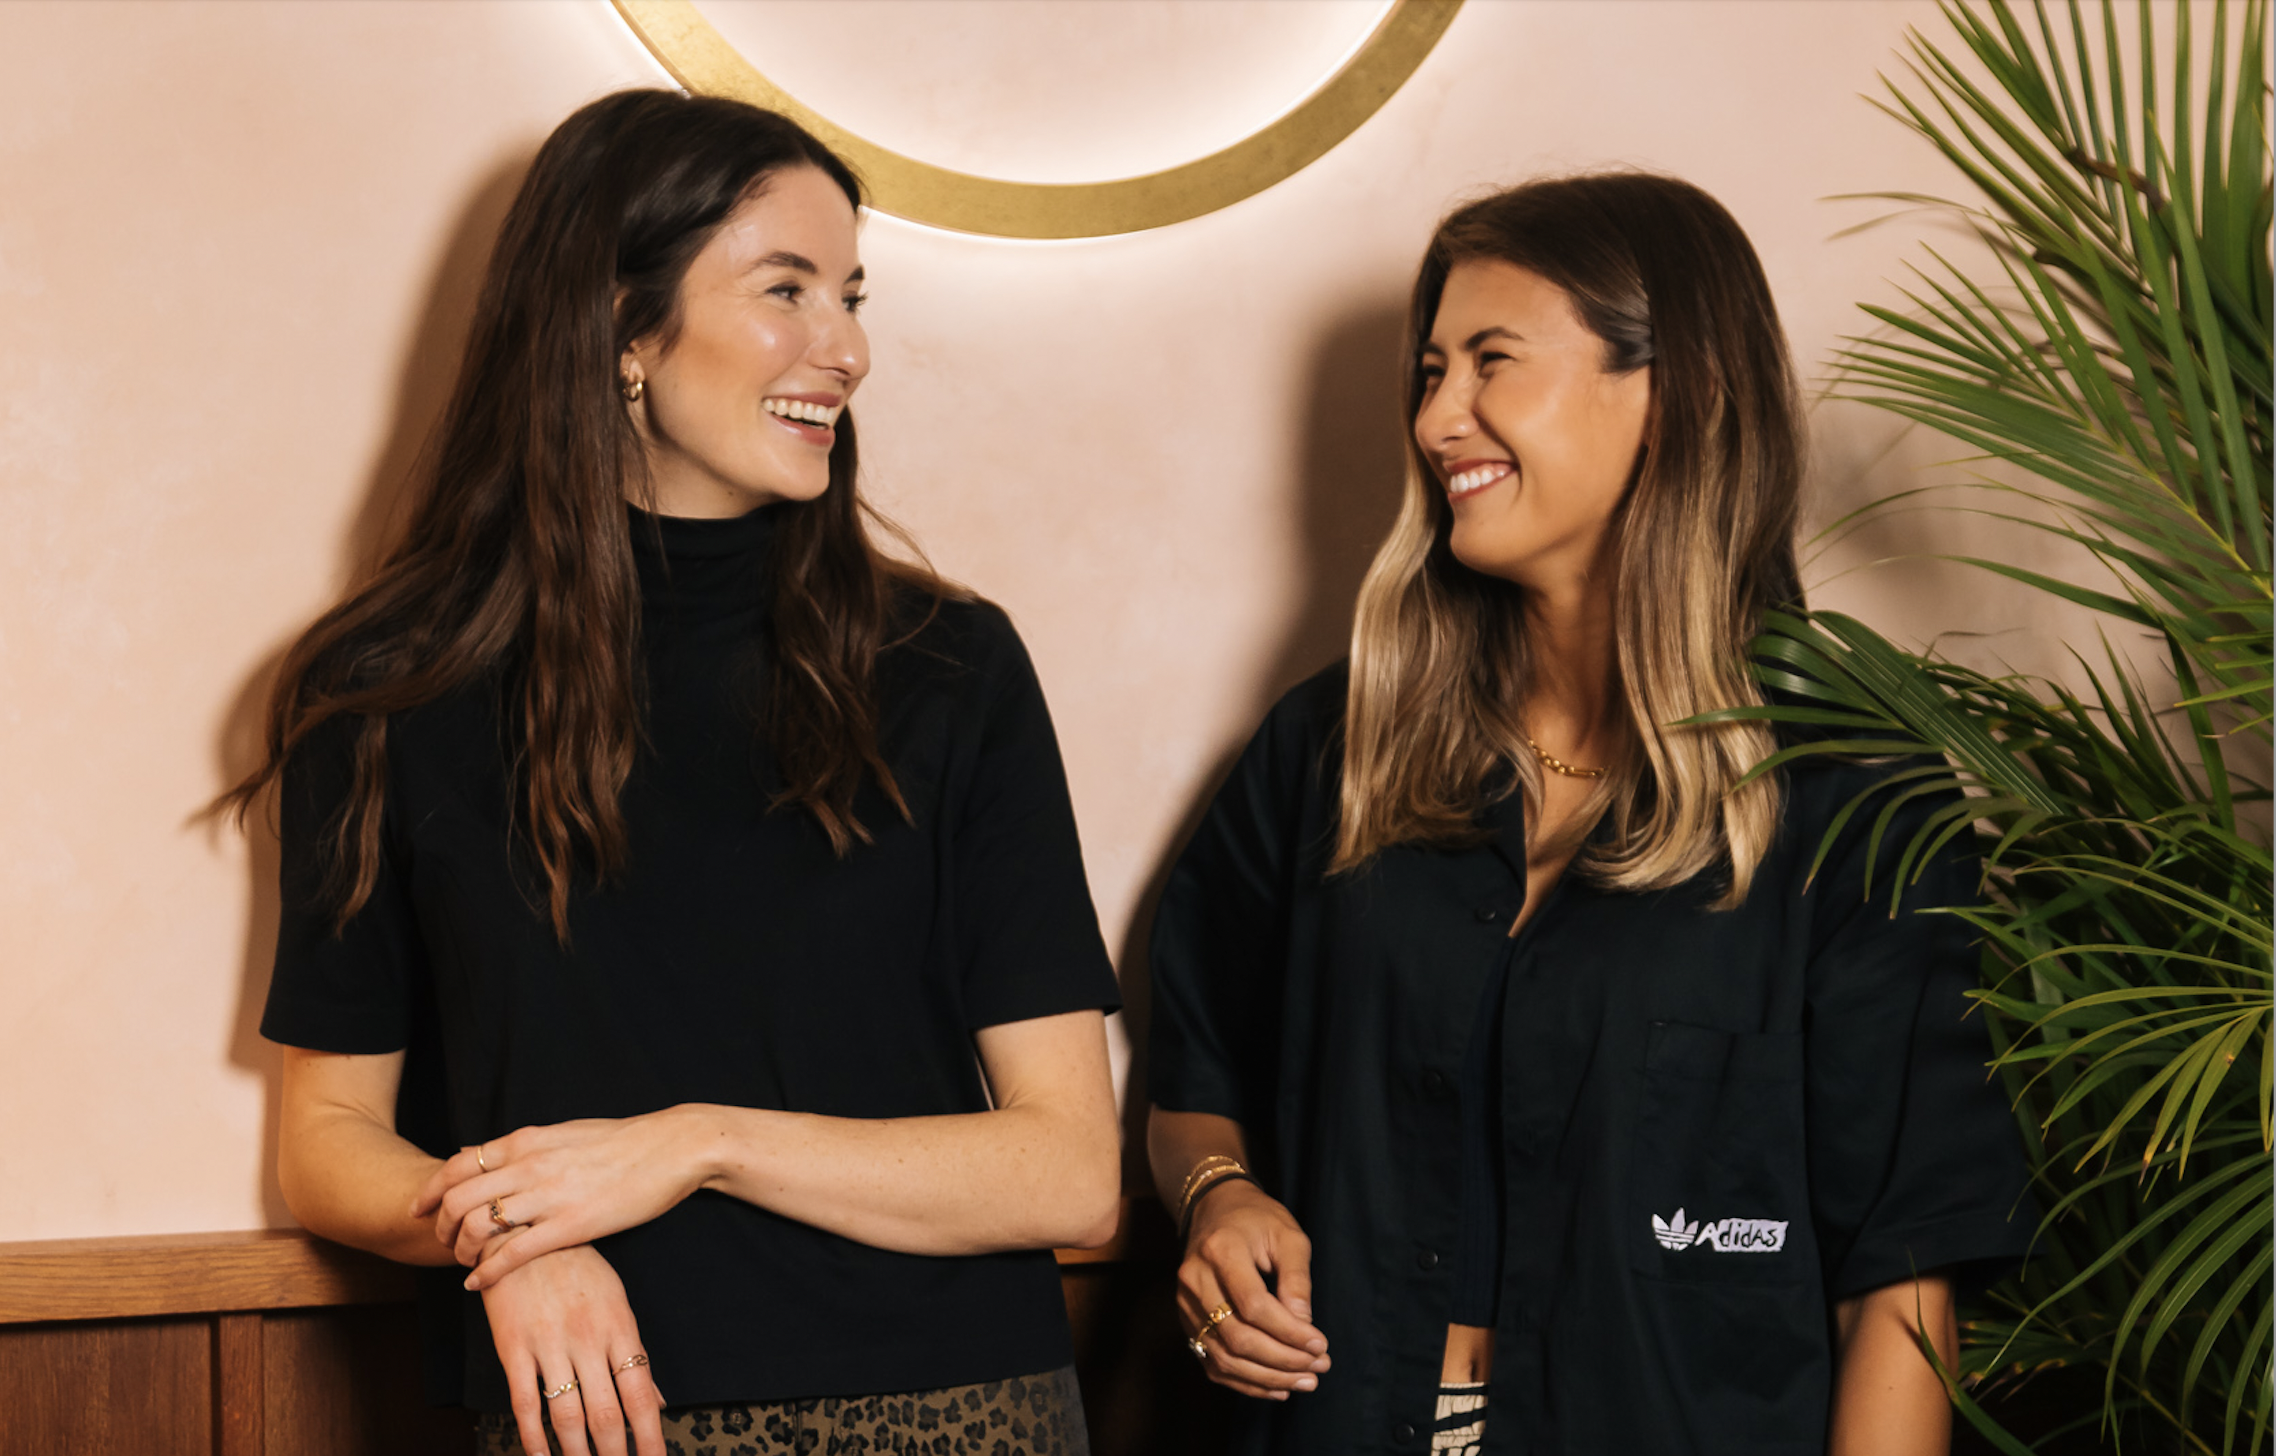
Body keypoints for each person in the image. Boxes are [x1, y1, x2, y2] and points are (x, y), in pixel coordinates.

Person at [230, 90, 1121, 1456]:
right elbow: (329, 1136)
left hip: (963, 1410)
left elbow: (1070, 1172)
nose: (847, 348)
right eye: (787, 290)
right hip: (594, 1419)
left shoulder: (949, 667)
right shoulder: (388, 689)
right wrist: (510, 1242)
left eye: (851, 297)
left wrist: (702, 1142)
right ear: (623, 327)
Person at [1145, 173, 2033, 1456]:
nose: (1434, 416)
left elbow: (1899, 1285)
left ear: (1670, 396)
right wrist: (1217, 1198)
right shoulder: (1334, 748)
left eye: (1490, 362)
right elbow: (1194, 1070)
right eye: (1429, 371)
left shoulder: (1851, 795)